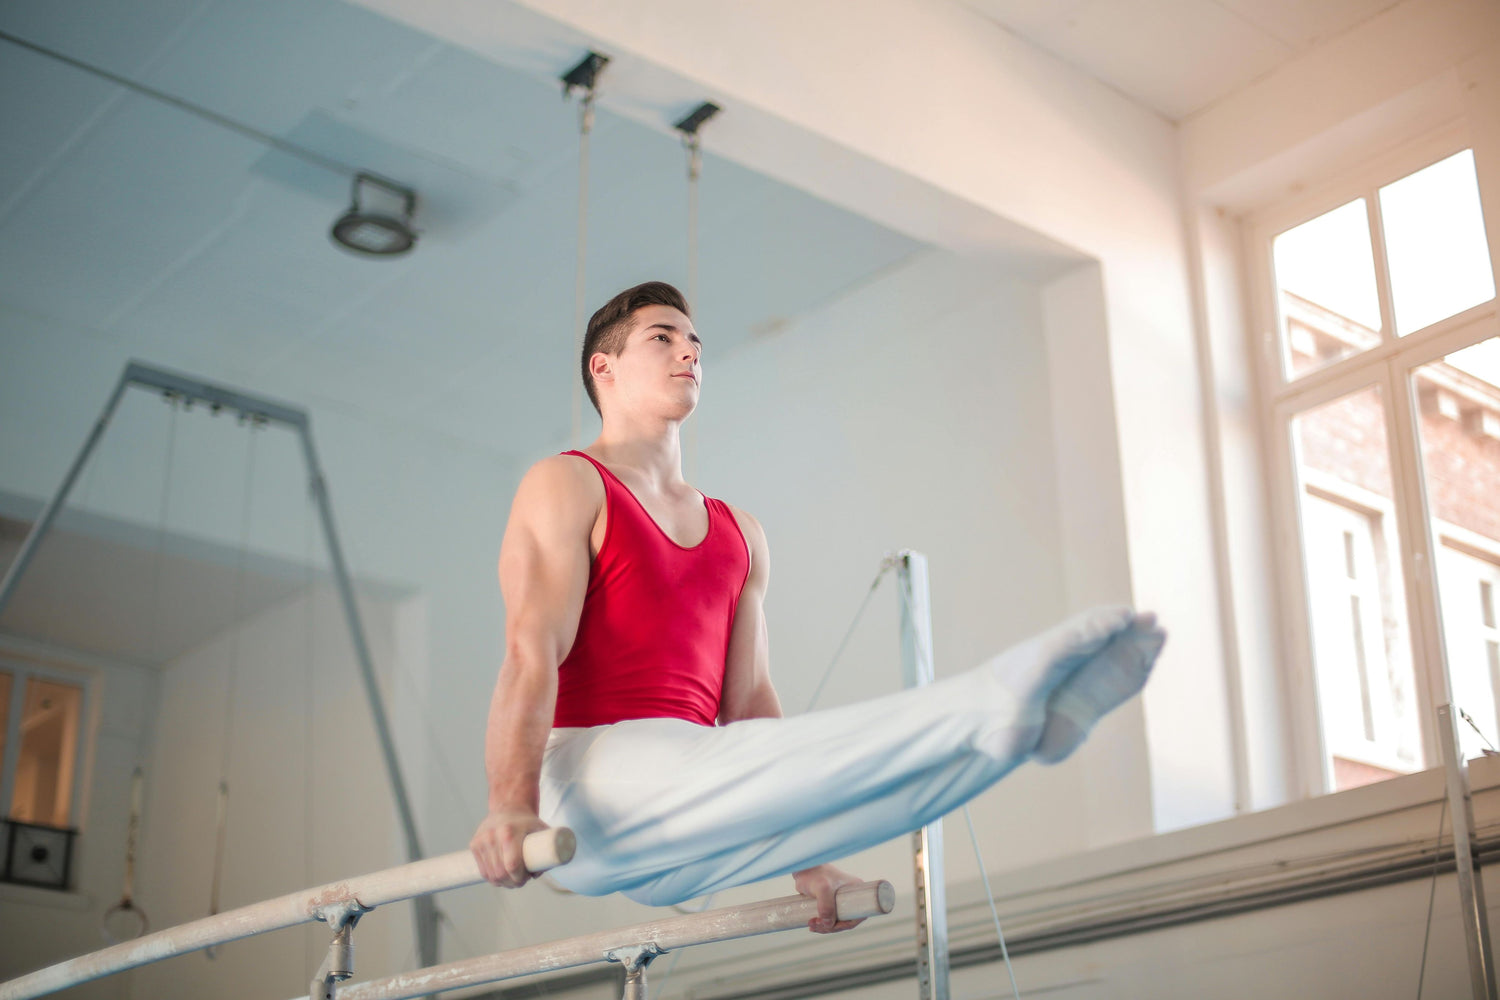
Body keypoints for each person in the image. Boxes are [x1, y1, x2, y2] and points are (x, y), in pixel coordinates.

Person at [470, 281, 1165, 934]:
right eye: (662, 338)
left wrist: (810, 858)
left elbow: (748, 699)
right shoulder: (567, 482)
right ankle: (987, 696)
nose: (690, 352)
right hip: (584, 785)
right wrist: (510, 803)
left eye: (696, 343)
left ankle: (1016, 734)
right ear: (605, 368)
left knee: (852, 809)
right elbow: (531, 650)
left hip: (686, 821)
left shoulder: (740, 533)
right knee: (724, 763)